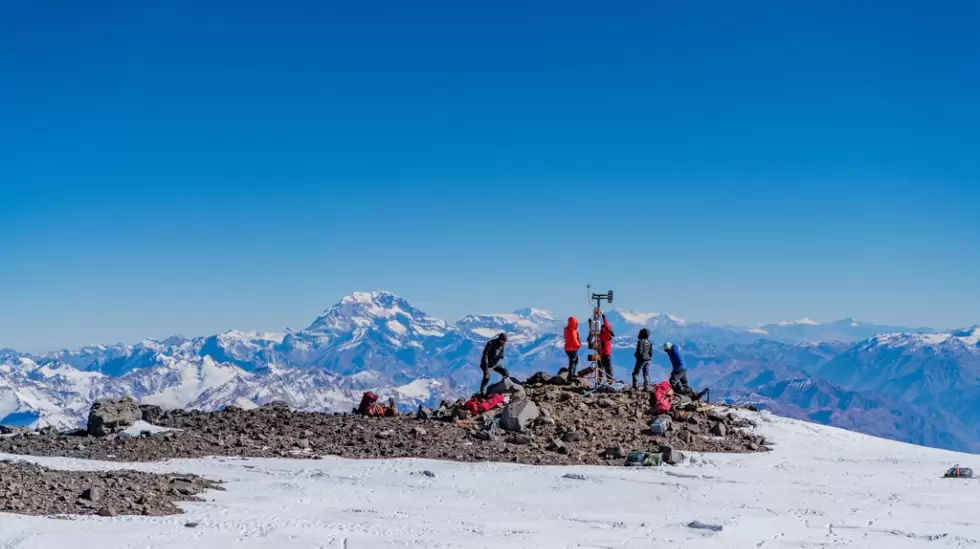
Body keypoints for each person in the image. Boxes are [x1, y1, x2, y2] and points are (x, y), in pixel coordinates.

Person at [598, 313, 615, 383]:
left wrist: (604, 318)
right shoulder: (601, 335)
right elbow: (594, 330)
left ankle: (607, 381)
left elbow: (607, 326)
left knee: (605, 368)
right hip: (602, 353)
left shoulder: (606, 334)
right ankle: (602, 381)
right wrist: (590, 323)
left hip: (605, 354)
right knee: (601, 368)